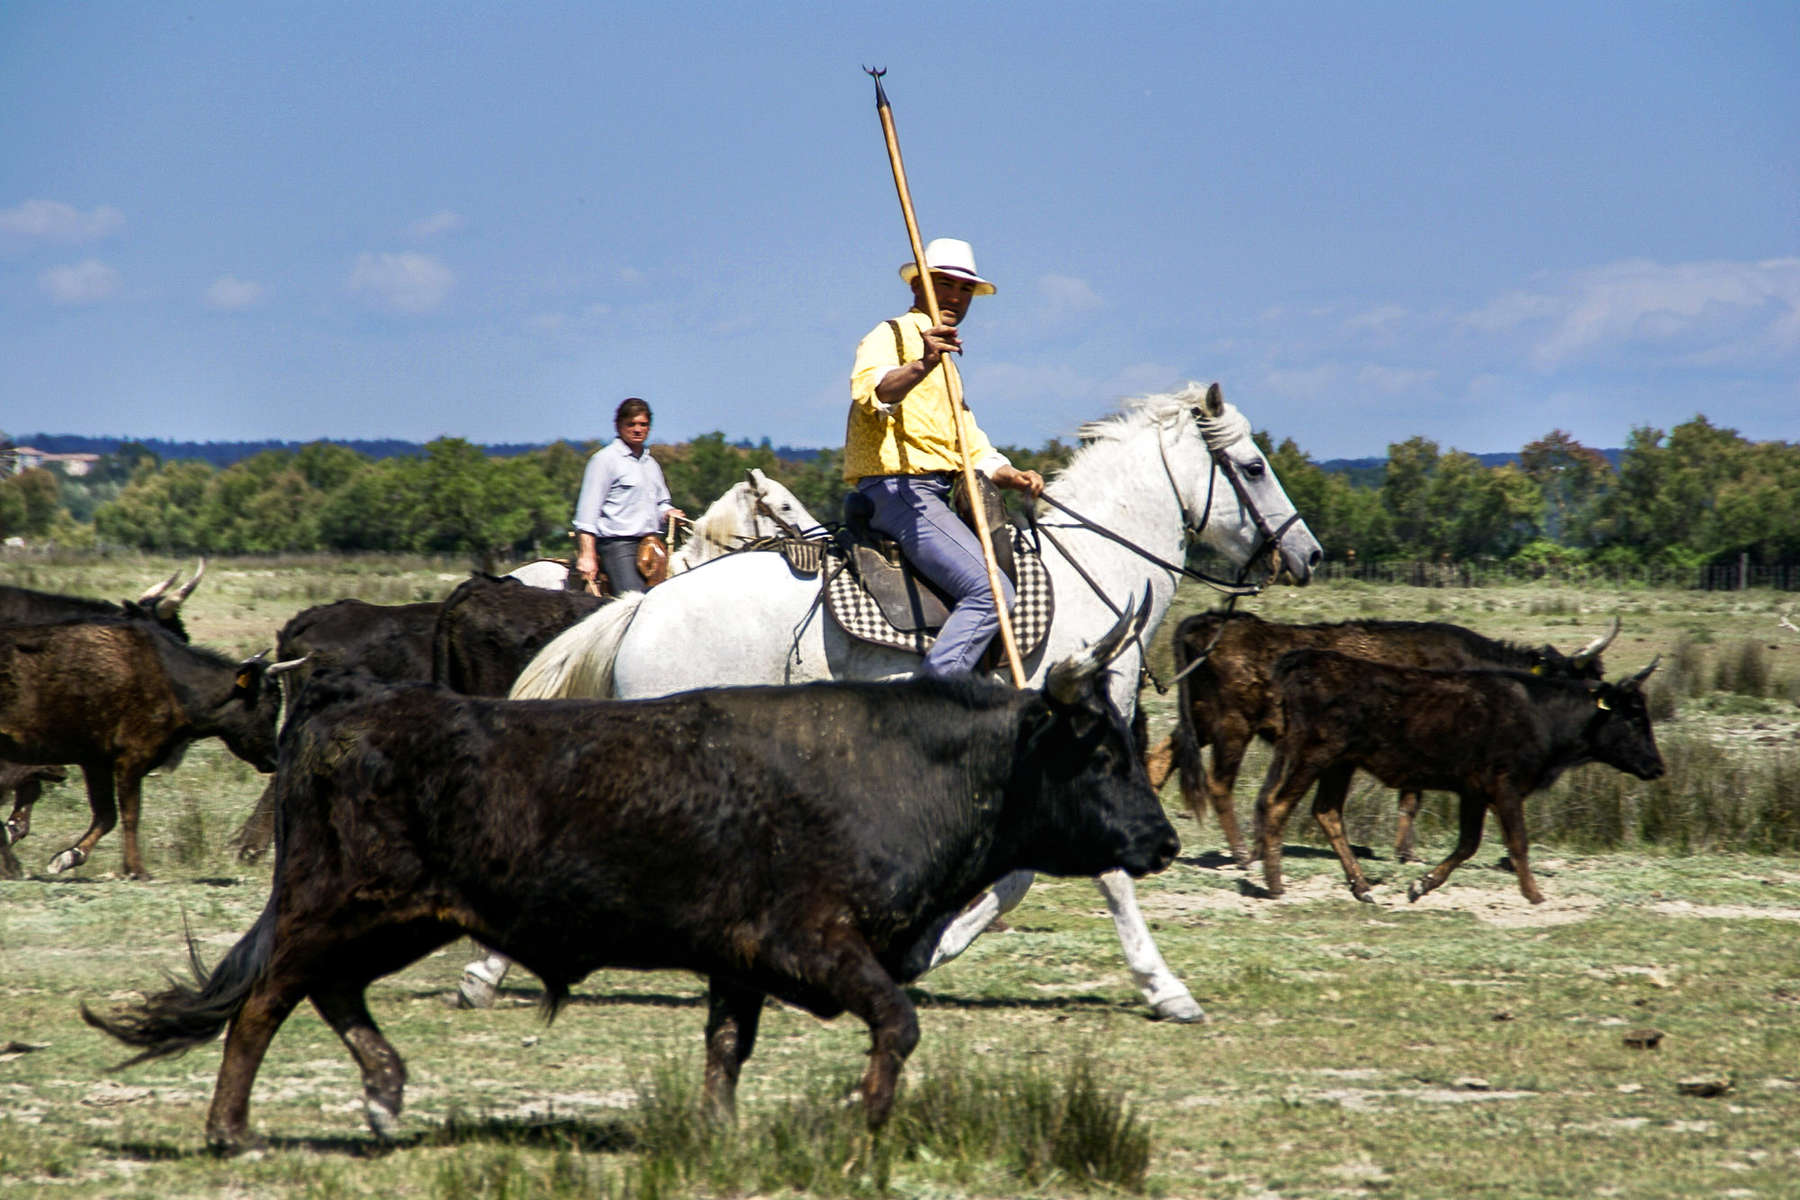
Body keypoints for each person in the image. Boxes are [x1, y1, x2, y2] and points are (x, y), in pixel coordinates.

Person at [845, 237, 1044, 677]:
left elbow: (970, 443)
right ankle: (931, 697)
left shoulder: (947, 361)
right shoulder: (891, 335)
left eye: (964, 289)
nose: (954, 296)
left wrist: (1009, 472)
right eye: (944, 284)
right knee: (993, 593)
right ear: (919, 286)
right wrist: (922, 363)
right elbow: (872, 393)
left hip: (940, 490)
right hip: (898, 491)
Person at [572, 398, 685, 594]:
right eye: (631, 424)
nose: (637, 429)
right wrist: (587, 555)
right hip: (619, 545)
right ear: (618, 426)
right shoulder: (604, 460)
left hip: (651, 545)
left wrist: (668, 513)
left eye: (643, 424)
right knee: (634, 602)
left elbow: (661, 504)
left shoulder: (651, 464)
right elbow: (587, 515)